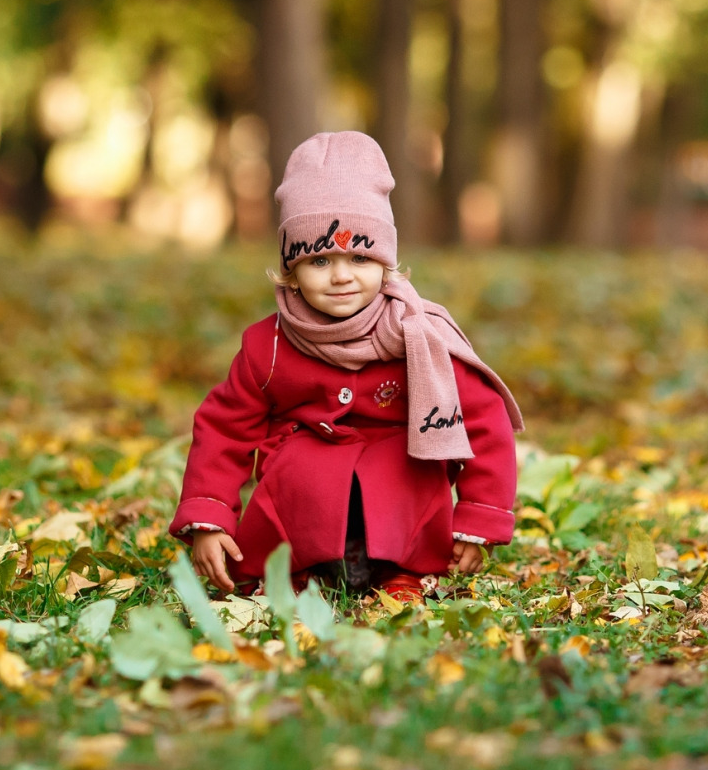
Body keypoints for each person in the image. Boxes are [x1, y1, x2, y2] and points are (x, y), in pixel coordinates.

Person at [168, 131, 522, 602]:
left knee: (401, 467)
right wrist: (209, 517)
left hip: (403, 492)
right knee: (306, 468)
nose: (341, 275)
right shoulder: (269, 345)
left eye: (360, 256)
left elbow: (482, 420)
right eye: (319, 259)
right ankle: (303, 567)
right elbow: (224, 428)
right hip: (304, 497)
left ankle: (405, 569)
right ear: (291, 270)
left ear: (386, 261)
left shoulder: (420, 337)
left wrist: (478, 517)